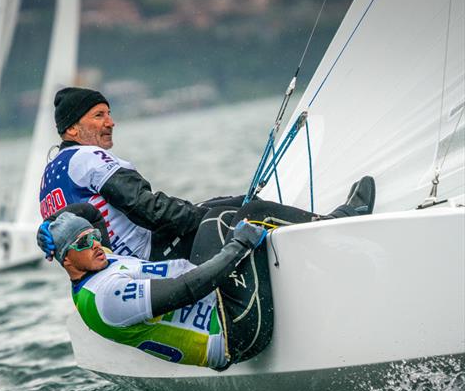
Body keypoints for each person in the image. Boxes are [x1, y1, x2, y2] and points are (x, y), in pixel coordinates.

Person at [42, 177, 376, 369]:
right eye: (84, 243)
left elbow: (90, 218)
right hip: (235, 333)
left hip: (220, 304)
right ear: (66, 260)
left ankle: (304, 225)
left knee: (215, 213)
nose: (97, 244)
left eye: (95, 238)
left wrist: (51, 225)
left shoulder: (95, 260)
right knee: (247, 218)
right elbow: (188, 290)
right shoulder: (105, 297)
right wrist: (239, 245)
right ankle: (340, 224)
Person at [39, 86, 241, 261]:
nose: (110, 122)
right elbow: (149, 210)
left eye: (109, 113)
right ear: (73, 129)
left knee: (219, 203)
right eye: (99, 115)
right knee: (239, 207)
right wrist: (210, 219)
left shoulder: (48, 177)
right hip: (149, 256)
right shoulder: (86, 157)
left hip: (112, 272)